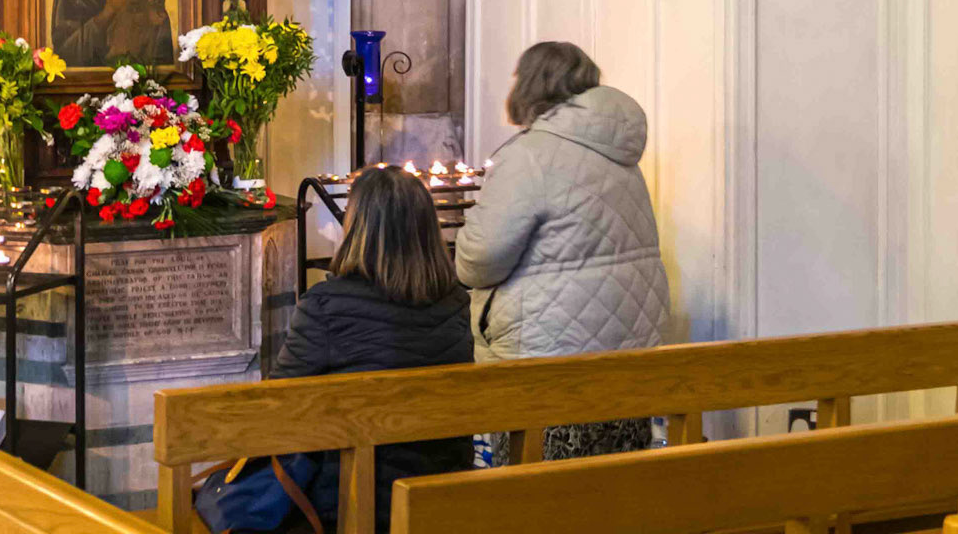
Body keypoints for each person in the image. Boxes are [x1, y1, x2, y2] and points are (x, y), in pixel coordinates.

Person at [454, 41, 669, 461]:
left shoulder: (531, 155)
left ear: (530, 85)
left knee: (538, 489)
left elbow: (479, 260)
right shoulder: (619, 153)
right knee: (612, 483)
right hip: (625, 352)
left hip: (548, 356)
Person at [270, 166, 473, 531]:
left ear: (357, 228)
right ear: (427, 230)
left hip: (353, 505)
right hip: (443, 495)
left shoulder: (325, 307)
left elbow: (273, 409)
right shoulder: (455, 302)